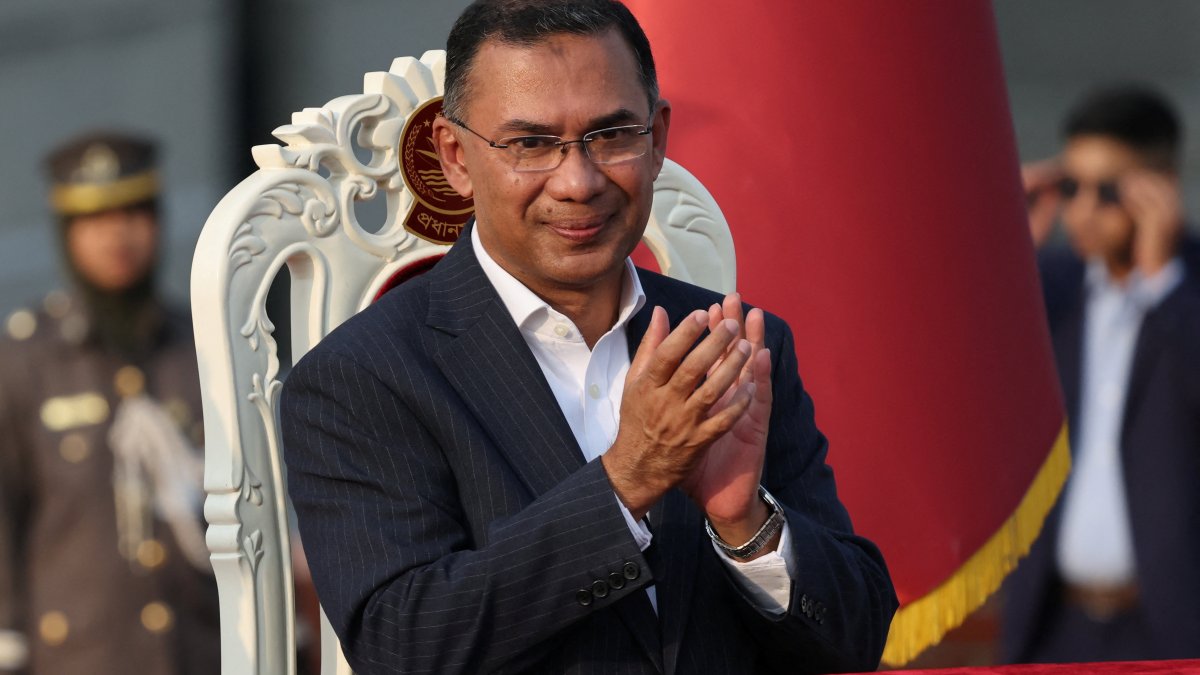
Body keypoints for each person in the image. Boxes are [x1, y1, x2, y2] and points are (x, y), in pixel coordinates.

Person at [280, 1, 897, 673]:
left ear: (657, 138)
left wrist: (746, 526)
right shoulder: (360, 378)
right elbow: (406, 646)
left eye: (611, 135)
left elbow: (858, 634)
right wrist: (627, 480)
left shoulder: (732, 345)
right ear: (456, 157)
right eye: (531, 144)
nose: (578, 181)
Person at [0, 132, 220, 674]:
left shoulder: (203, 349)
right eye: (95, 220)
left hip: (198, 651)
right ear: (66, 233)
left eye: (132, 214)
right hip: (77, 655)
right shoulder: (25, 361)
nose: (116, 235)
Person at [1002, 85, 1200, 662]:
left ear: (1160, 186)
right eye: (1071, 186)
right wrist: (1005, 241)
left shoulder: (1186, 295)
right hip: (1054, 627)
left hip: (1171, 630)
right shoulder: (1051, 288)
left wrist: (1163, 286)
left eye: (1108, 189)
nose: (1083, 208)